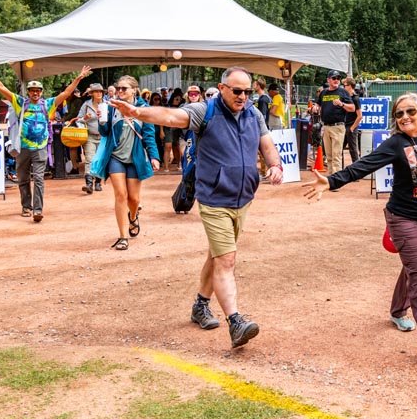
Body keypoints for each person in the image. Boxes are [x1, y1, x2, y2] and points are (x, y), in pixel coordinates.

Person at [304, 41, 417, 360]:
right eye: (400, 114)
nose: (405, 117)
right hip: (402, 218)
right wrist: (332, 180)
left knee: (414, 268)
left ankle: (398, 309)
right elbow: (363, 165)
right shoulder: (395, 144)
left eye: (411, 112)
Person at [109, 66, 284, 348]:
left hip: (243, 197)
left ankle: (200, 306)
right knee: (227, 259)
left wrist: (274, 165)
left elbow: (266, 145)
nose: (243, 97)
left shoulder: (255, 114)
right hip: (214, 197)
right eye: (237, 91)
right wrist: (137, 112)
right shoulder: (206, 111)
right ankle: (236, 322)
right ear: (222, 87)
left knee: (218, 255)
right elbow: (172, 116)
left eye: (247, 92)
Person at [0, 58, 91, 221]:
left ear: (41, 91)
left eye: (38, 90)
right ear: (29, 92)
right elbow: (1, 87)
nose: (35, 93)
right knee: (23, 179)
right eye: (32, 90)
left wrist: (78, 78)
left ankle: (37, 210)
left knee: (39, 178)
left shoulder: (48, 104)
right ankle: (26, 206)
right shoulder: (20, 102)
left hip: (40, 148)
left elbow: (66, 93)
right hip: (23, 148)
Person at [90, 76, 160, 250]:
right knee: (121, 195)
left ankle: (133, 216)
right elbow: (105, 132)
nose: (119, 92)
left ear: (134, 90)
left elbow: (149, 135)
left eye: (124, 89)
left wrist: (154, 156)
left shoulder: (143, 109)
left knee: (134, 199)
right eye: (118, 88)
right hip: (115, 157)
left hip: (135, 158)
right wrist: (101, 120)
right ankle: (122, 236)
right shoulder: (111, 107)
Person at [311, 70, 354, 175]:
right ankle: (331, 179)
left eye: (338, 78)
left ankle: (336, 180)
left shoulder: (343, 92)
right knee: (329, 156)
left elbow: (352, 108)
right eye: (334, 78)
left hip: (338, 126)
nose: (336, 80)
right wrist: (315, 107)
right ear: (328, 80)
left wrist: (341, 104)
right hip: (326, 127)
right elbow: (318, 104)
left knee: (336, 155)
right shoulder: (323, 92)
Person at [77, 83, 109, 194]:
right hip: (90, 136)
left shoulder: (107, 104)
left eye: (100, 91)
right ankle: (89, 184)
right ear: (92, 93)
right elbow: (78, 120)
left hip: (104, 136)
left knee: (100, 159)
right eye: (96, 91)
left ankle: (98, 182)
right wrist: (85, 118)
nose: (99, 93)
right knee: (89, 159)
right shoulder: (86, 105)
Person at [342, 76, 363, 164]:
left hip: (351, 127)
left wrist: (352, 128)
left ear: (350, 86)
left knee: (353, 150)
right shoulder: (345, 97)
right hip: (343, 125)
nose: (343, 87)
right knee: (339, 149)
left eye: (345, 85)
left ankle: (357, 170)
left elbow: (360, 116)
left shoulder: (355, 98)